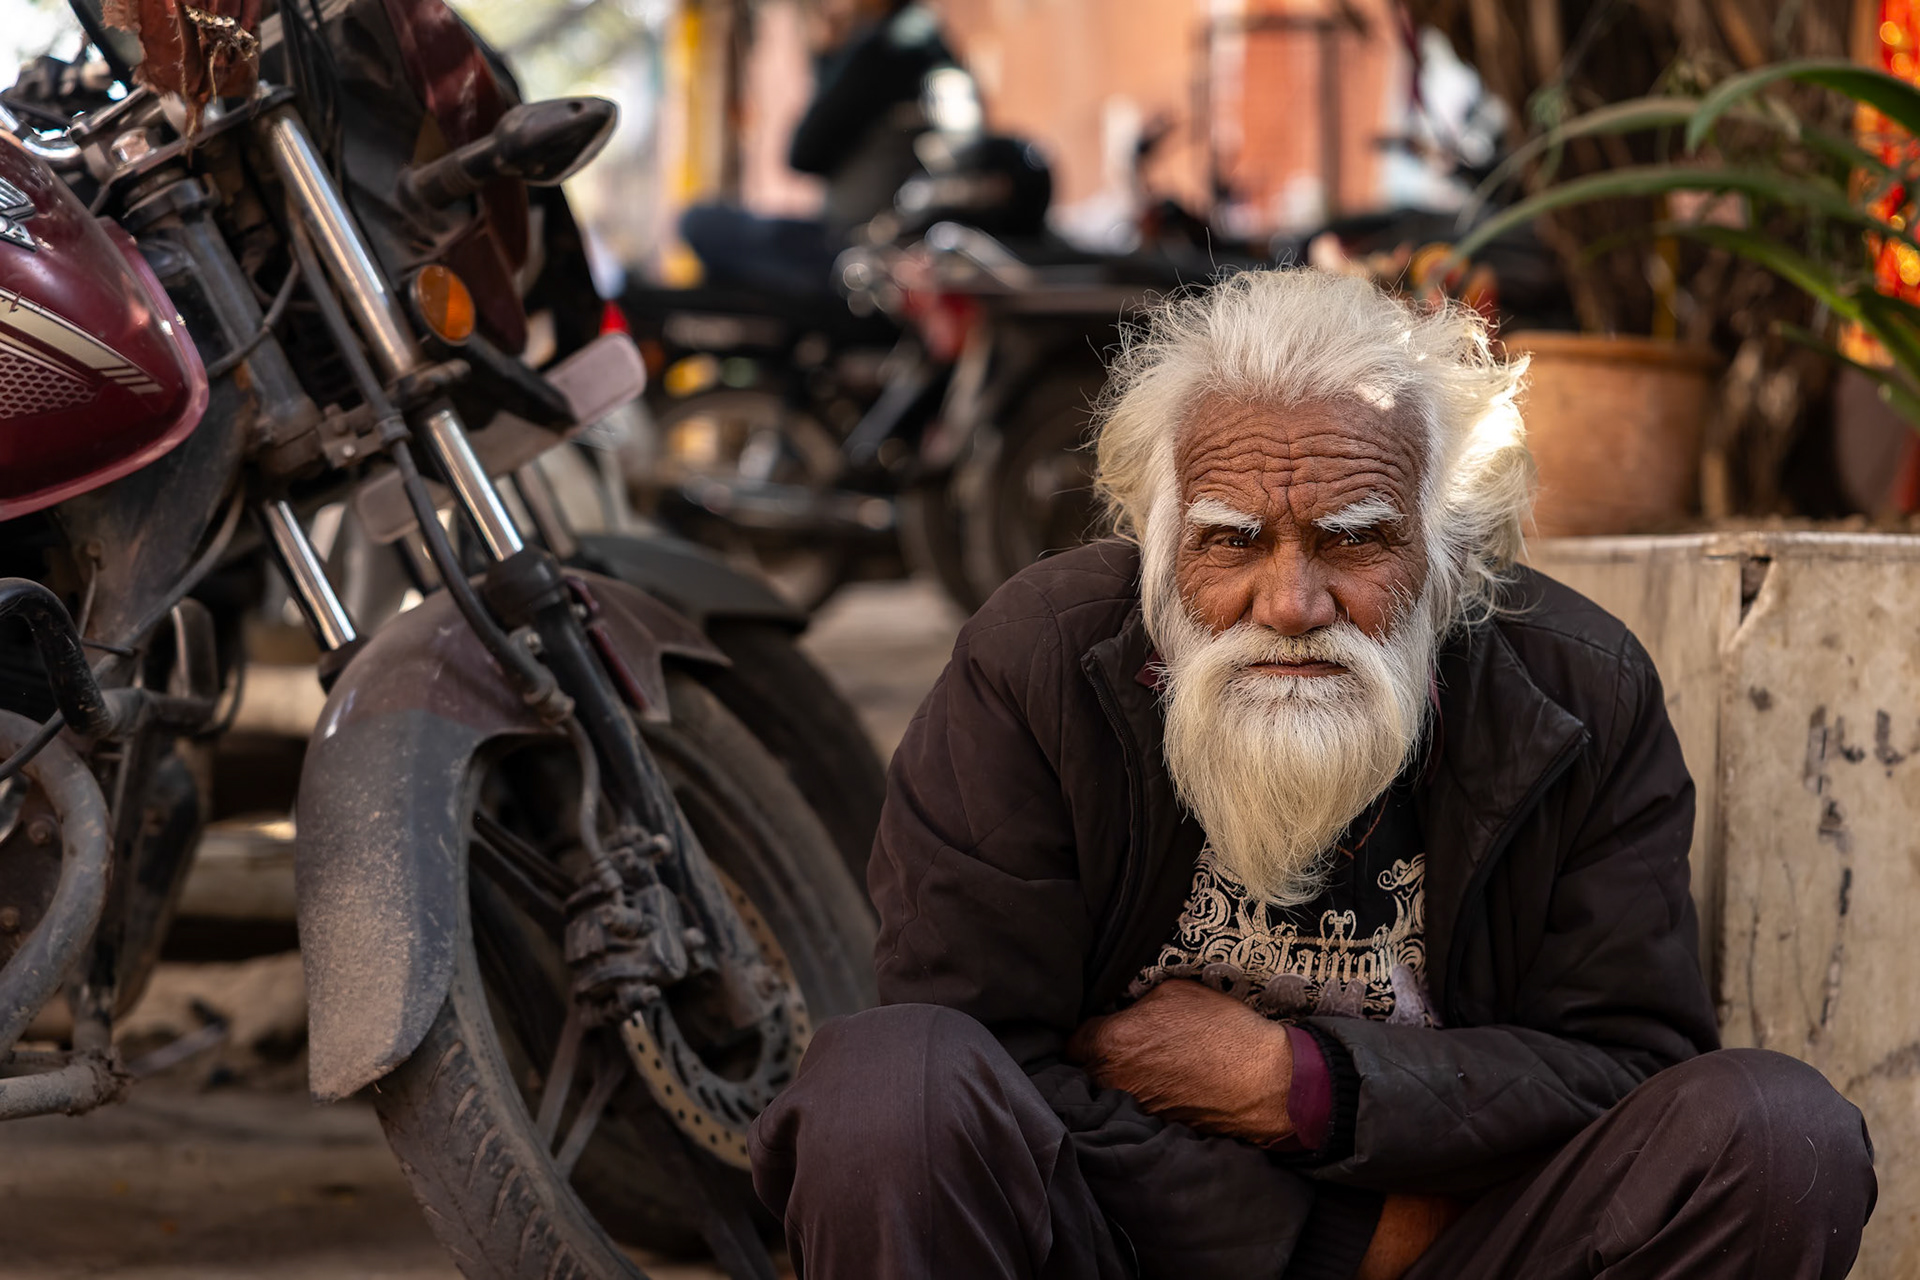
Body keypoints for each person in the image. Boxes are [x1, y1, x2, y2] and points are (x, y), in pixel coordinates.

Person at [748, 267, 1877, 1279]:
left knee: (1777, 1137)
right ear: (1155, 545)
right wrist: (1324, 1241)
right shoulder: (1037, 662)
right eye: (1232, 540)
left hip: (1458, 1251)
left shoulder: (1580, 693)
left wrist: (1301, 1083)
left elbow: (1624, 1069)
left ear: (1448, 551)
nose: (1291, 605)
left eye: (1353, 539)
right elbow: (981, 1055)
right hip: (1128, 1243)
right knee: (887, 1083)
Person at [680, 0, 955, 294]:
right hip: (886, 235)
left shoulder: (882, 50)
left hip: (857, 250)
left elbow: (804, 154)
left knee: (696, 224)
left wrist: (827, 57)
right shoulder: (921, 32)